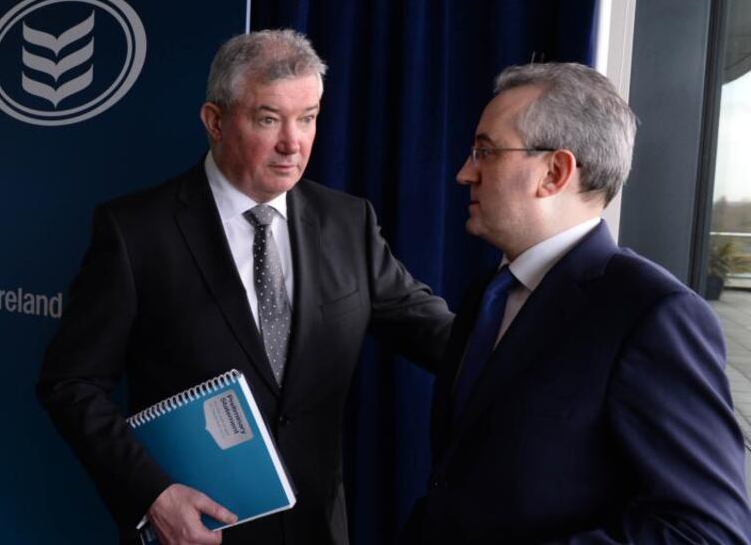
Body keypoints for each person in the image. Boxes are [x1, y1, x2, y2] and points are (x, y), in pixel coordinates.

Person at [37, 29, 453, 545]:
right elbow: (70, 384)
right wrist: (152, 495)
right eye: (268, 119)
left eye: (308, 118)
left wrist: (538, 335)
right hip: (194, 531)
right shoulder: (135, 232)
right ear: (214, 121)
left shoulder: (349, 221)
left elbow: (438, 335)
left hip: (316, 531)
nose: (293, 143)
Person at [406, 62, 751, 544]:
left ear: (554, 171)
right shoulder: (488, 292)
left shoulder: (653, 314)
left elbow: (707, 532)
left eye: (486, 152)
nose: (465, 173)